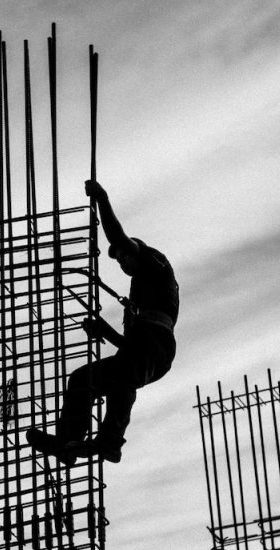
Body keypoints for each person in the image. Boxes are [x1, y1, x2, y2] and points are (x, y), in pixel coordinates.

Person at [27, 179, 179, 464]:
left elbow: (118, 238)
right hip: (144, 350)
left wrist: (102, 198)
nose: (122, 262)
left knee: (124, 376)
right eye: (118, 260)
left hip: (157, 346)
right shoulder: (136, 298)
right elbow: (129, 346)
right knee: (83, 380)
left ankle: (110, 441)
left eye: (124, 256)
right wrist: (104, 330)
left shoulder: (155, 265)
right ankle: (67, 441)